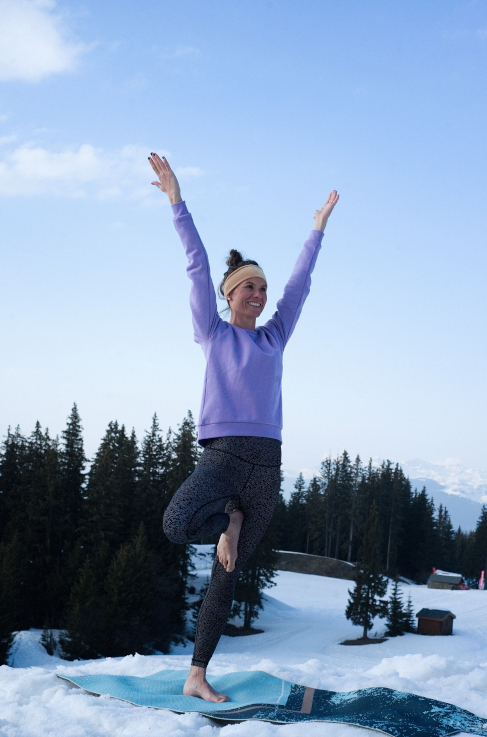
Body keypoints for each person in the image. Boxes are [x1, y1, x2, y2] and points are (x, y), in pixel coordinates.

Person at [149, 153, 339, 702]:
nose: (258, 295)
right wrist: (177, 202)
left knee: (226, 578)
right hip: (223, 457)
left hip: (265, 468)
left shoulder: (274, 337)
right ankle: (227, 520)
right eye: (247, 288)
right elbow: (195, 264)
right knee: (177, 522)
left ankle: (196, 675)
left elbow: (299, 287)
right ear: (229, 295)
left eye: (261, 288)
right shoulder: (212, 333)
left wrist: (316, 230)